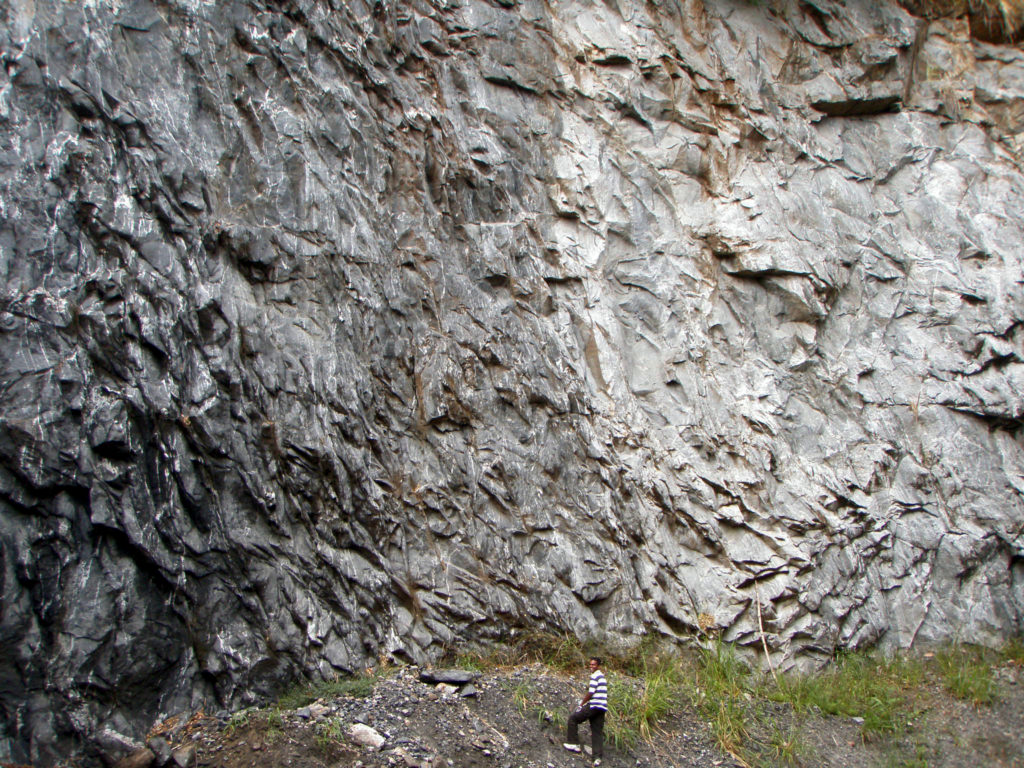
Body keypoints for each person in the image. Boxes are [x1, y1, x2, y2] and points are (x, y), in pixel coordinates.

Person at [563, 656, 607, 765]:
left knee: (573, 718)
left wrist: (581, 704)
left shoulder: (595, 676)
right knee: (597, 732)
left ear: (598, 666)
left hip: (594, 705)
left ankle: (573, 744)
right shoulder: (602, 677)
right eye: (590, 664)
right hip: (602, 708)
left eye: (594, 665)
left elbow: (591, 692)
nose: (591, 666)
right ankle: (597, 758)